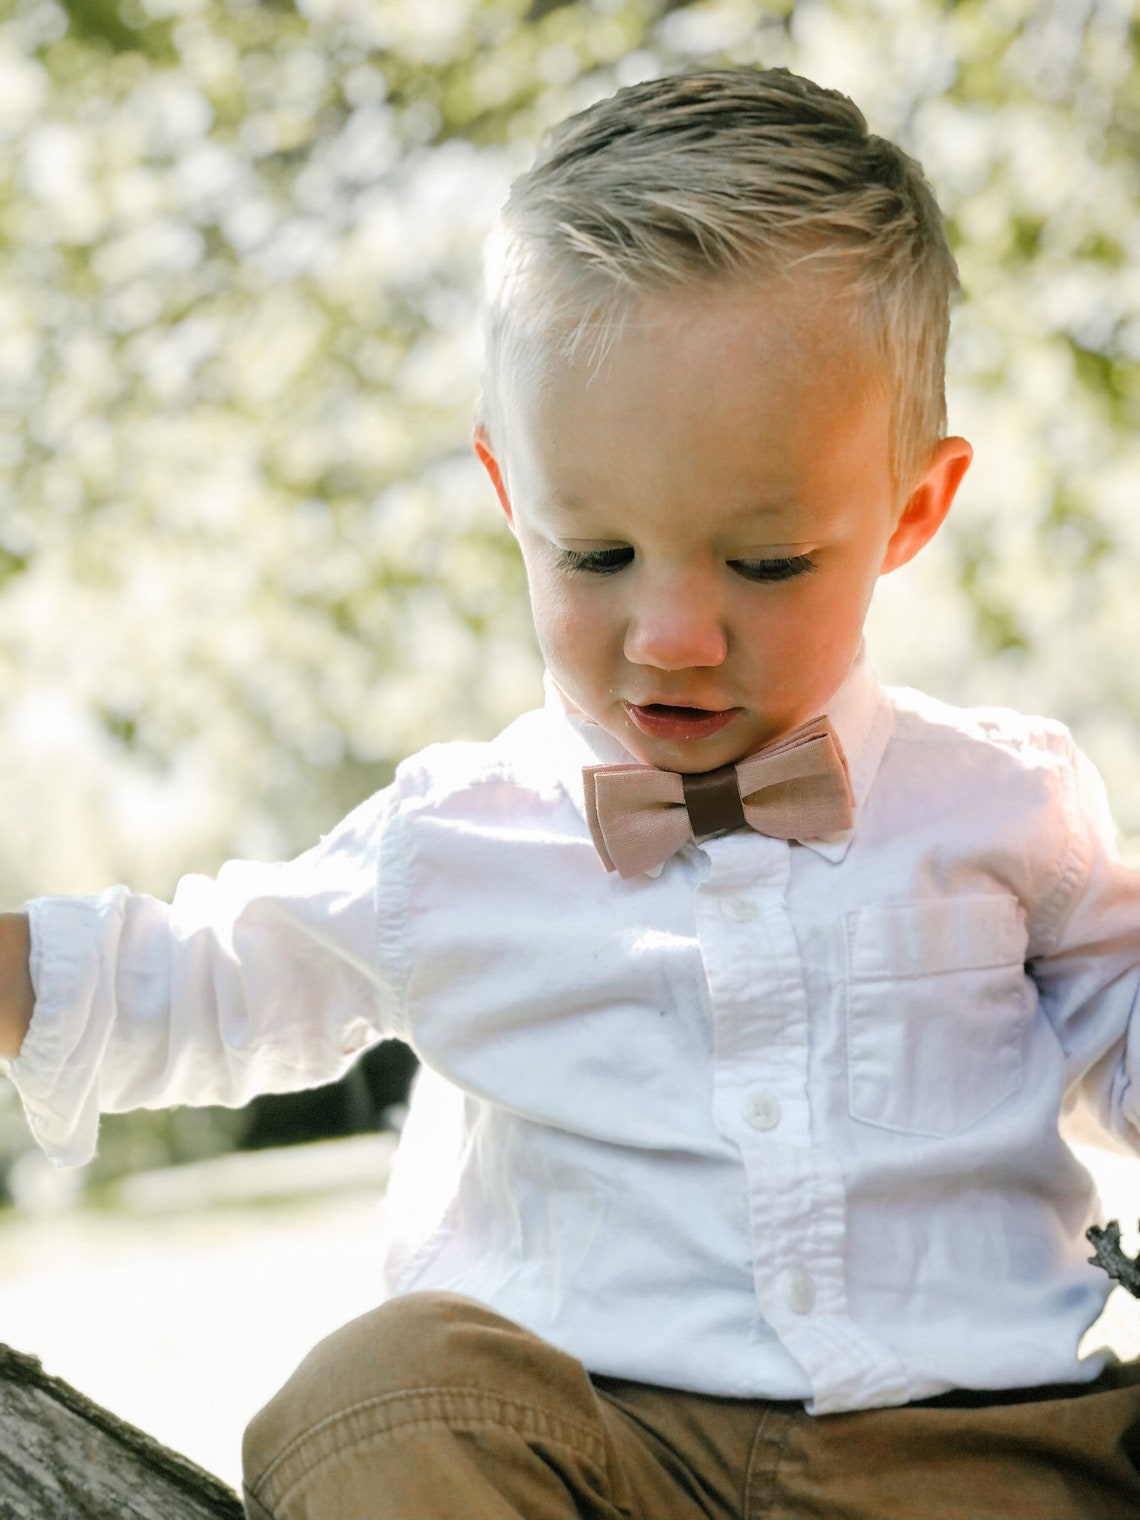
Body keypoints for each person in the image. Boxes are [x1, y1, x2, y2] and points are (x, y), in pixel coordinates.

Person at [2, 64, 1140, 1520]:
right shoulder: (450, 840)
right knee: (373, 1396)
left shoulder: (1008, 803)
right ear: (511, 497)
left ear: (912, 510)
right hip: (598, 1457)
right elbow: (202, 975)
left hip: (983, 1457)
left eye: (767, 563)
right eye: (595, 556)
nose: (674, 634)